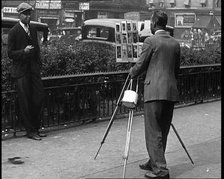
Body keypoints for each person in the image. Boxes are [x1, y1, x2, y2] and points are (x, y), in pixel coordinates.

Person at [129, 10, 180, 179]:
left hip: (154, 91)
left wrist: (132, 72)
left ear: (154, 24)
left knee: (153, 131)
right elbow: (176, 70)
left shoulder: (151, 41)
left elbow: (140, 65)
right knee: (162, 131)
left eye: (150, 22)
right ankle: (154, 161)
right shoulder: (175, 43)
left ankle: (161, 170)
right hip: (170, 91)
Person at [8, 2, 46, 140]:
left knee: (39, 98)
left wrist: (38, 64)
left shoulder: (33, 28)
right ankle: (30, 131)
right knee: (26, 102)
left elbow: (37, 48)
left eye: (29, 14)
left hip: (33, 70)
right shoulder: (14, 31)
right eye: (26, 14)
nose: (28, 16)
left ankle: (36, 128)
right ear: (20, 15)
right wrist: (23, 52)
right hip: (21, 72)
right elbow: (10, 53)